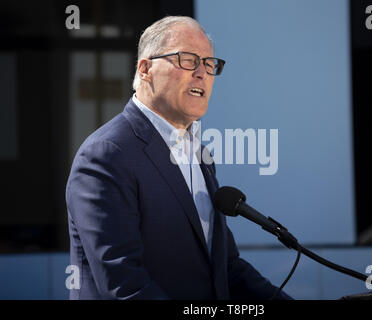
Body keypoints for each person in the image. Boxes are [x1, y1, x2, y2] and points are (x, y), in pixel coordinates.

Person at [66, 16, 292, 300]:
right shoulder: (106, 154)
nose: (202, 73)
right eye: (188, 59)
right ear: (146, 69)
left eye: (210, 64)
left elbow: (226, 268)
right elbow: (125, 285)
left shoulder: (201, 156)